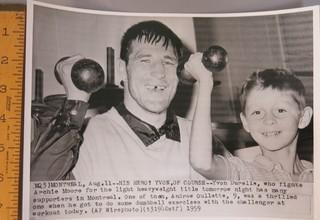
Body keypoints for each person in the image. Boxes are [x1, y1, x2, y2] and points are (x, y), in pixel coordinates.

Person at [30, 20, 228, 181]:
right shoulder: (88, 135)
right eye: (145, 60)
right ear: (122, 69)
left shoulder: (200, 136)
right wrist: (75, 100)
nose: (159, 73)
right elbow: (39, 196)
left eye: (168, 62)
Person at [190, 68, 313, 182]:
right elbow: (202, 164)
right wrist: (205, 82)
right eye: (257, 112)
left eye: (280, 110)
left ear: (303, 118)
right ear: (246, 122)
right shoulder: (246, 174)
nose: (268, 120)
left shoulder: (314, 172)